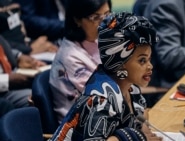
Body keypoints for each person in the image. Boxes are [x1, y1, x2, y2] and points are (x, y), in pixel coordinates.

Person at [49, 12, 161, 141]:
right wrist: (135, 137)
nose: (150, 66)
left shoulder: (132, 89)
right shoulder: (100, 100)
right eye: (142, 61)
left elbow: (141, 126)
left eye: (149, 59)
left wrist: (143, 131)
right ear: (119, 63)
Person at [49, 0, 112, 122]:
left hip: (105, 118)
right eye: (95, 17)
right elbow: (105, 98)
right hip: (81, 128)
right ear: (77, 20)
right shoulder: (70, 57)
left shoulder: (97, 41)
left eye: (107, 15)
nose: (104, 22)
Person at [0, 35, 46, 108]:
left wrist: (18, 56)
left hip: (11, 71)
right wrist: (7, 80)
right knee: (41, 97)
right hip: (3, 89)